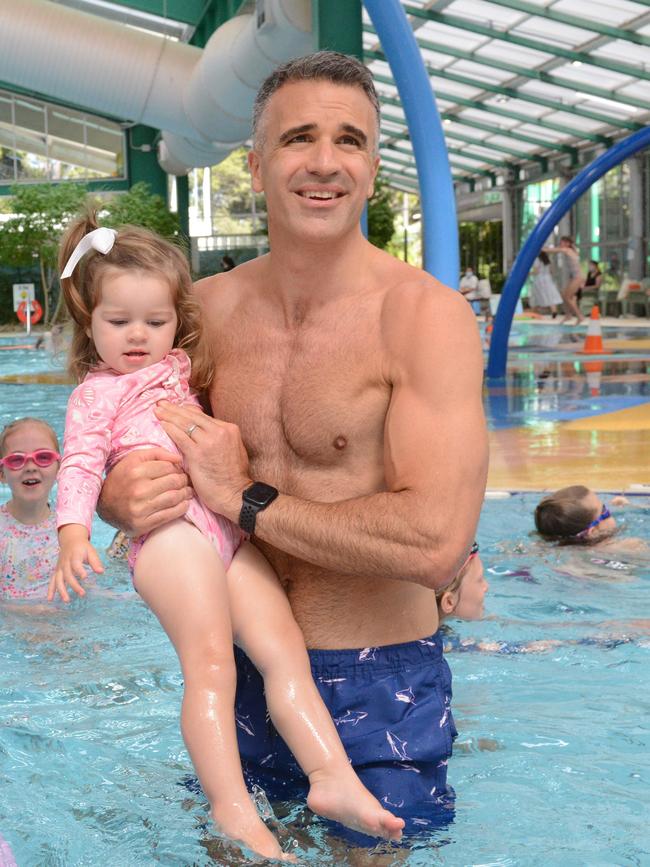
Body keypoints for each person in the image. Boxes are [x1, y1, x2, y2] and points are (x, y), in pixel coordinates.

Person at [99, 51, 488, 835]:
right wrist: (117, 495)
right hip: (238, 674)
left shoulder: (423, 317)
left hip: (380, 678)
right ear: (255, 165)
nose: (324, 162)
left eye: (349, 141)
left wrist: (244, 501)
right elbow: (121, 430)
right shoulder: (203, 313)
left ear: (374, 168)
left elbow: (436, 540)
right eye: (297, 138)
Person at [49, 212, 404, 860]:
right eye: (118, 321)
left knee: (282, 648)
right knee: (210, 665)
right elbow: (78, 463)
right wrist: (75, 534)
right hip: (167, 538)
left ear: (175, 321)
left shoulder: (183, 363)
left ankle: (332, 776)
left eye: (154, 322)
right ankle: (233, 807)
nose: (137, 336)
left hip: (223, 533)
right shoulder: (94, 397)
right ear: (88, 317)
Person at [0, 418, 61, 601]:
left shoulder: (69, 529)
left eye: (43, 457)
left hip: (60, 624)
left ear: (60, 467)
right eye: (16, 460)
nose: (31, 467)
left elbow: (87, 584)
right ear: (2, 474)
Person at [534, 486, 646, 553]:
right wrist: (640, 508)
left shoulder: (541, 550)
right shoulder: (630, 546)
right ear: (593, 531)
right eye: (604, 510)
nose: (608, 510)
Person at [544, 236, 584, 325]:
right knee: (563, 295)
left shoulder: (567, 250)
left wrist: (541, 249)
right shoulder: (572, 251)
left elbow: (553, 251)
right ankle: (568, 315)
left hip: (577, 277)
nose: (560, 244)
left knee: (568, 298)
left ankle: (580, 316)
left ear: (567, 244)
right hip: (574, 277)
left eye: (562, 242)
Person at [529, 251, 562, 317]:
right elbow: (551, 271)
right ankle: (554, 311)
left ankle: (533, 312)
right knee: (550, 295)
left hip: (539, 279)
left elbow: (536, 272)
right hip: (548, 279)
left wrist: (528, 273)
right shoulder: (547, 260)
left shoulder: (536, 259)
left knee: (536, 295)